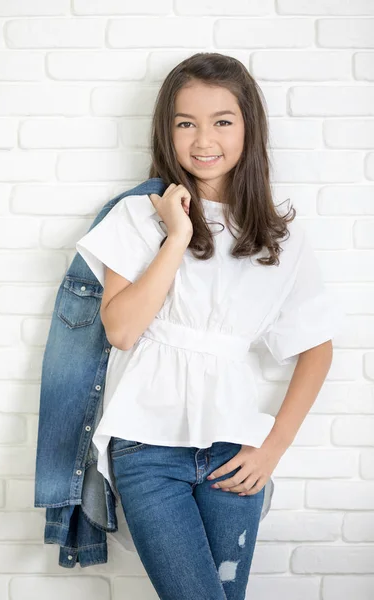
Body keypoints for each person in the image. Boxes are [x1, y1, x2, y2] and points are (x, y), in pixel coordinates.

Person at [75, 52, 343, 600]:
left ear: (249, 128)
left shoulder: (276, 238)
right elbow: (121, 330)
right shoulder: (136, 218)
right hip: (147, 452)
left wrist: (273, 447)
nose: (203, 140)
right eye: (185, 123)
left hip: (234, 454)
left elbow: (316, 348)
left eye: (222, 121)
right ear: (165, 130)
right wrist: (175, 236)